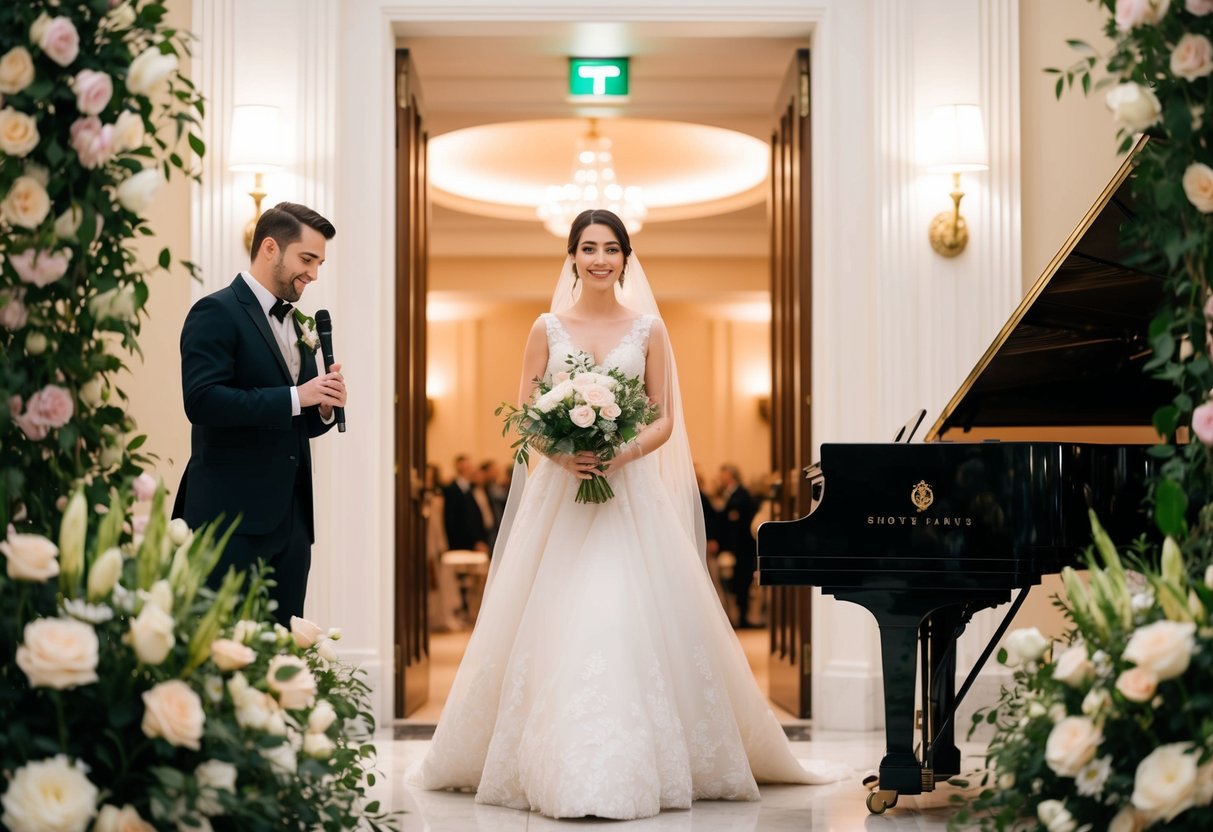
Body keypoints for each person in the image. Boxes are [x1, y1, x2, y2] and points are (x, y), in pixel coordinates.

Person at [410, 209, 845, 820]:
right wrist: (562, 454)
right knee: (554, 616)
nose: (599, 259)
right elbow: (526, 408)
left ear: (625, 257)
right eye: (588, 248)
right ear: (572, 256)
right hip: (560, 498)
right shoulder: (545, 327)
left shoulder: (649, 330)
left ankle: (629, 762)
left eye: (611, 249)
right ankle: (549, 761)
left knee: (619, 612)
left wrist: (621, 451)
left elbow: (665, 418)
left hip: (629, 496)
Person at [173, 202, 346, 625]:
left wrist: (320, 409)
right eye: (307, 259)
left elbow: (291, 419)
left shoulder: (299, 323)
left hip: (290, 526)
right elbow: (202, 401)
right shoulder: (215, 312)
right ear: (270, 247)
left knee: (284, 654)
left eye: (320, 263)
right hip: (229, 522)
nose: (314, 274)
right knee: (224, 650)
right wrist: (295, 396)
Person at [719, 463, 759, 628]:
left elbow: (737, 524)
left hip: (742, 548)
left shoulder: (741, 495)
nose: (720, 478)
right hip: (735, 548)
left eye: (723, 475)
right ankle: (739, 617)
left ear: (731, 476)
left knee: (742, 582)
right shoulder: (728, 494)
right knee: (737, 583)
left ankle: (743, 618)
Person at [442, 454, 490, 554]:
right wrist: (473, 543)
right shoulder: (451, 490)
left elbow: (475, 517)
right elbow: (452, 522)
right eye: (468, 467)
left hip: (475, 543)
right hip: (461, 544)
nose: (471, 470)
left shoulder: (471, 489)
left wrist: (480, 539)